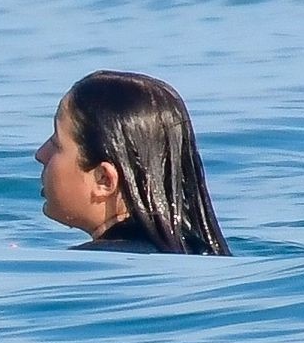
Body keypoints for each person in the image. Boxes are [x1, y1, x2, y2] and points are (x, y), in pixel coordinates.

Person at [33, 70, 230, 255]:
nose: (40, 154)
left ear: (104, 180)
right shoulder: (200, 252)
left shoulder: (85, 266)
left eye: (56, 144)